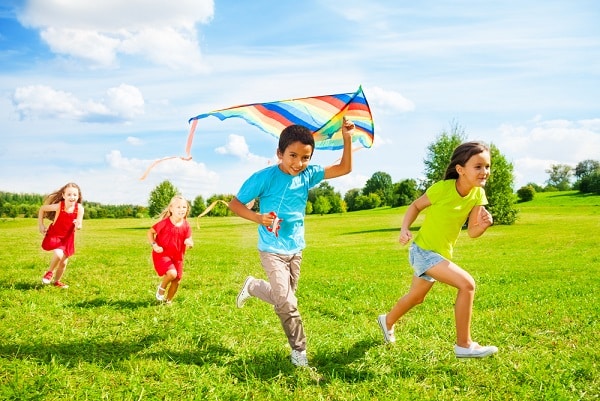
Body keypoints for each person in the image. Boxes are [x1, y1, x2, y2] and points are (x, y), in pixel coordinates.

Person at [229, 119, 355, 367]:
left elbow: (344, 168)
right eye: (293, 156)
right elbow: (235, 204)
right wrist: (258, 217)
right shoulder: (263, 178)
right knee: (287, 302)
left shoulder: (308, 174)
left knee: (284, 299)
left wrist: (347, 138)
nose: (298, 163)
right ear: (280, 153)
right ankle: (299, 350)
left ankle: (253, 287)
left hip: (295, 249)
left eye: (305, 157)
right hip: (271, 250)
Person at [377, 141, 498, 358]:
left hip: (439, 254)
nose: (485, 172)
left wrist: (484, 225)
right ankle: (464, 344)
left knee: (416, 298)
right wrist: (404, 229)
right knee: (467, 285)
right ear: (460, 170)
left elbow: (472, 232)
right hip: (423, 251)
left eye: (487, 166)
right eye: (478, 166)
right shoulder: (443, 189)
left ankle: (387, 321)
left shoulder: (478, 195)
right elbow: (415, 205)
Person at [147, 195, 194, 305]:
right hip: (162, 254)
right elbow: (150, 232)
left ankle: (168, 301)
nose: (182, 209)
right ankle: (161, 288)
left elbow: (189, 239)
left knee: (177, 280)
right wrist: (154, 244)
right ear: (171, 209)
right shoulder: (164, 223)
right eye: (178, 207)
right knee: (172, 274)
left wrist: (190, 243)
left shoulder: (186, 225)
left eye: (184, 207)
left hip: (178, 257)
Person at [38, 182, 85, 289]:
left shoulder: (80, 208)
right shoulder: (60, 206)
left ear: (78, 196)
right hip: (55, 235)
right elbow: (42, 209)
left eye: (75, 195)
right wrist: (40, 225)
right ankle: (49, 272)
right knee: (59, 254)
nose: (72, 197)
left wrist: (77, 225)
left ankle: (56, 282)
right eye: (69, 194)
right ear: (63, 196)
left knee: (63, 263)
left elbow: (79, 224)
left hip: (68, 238)